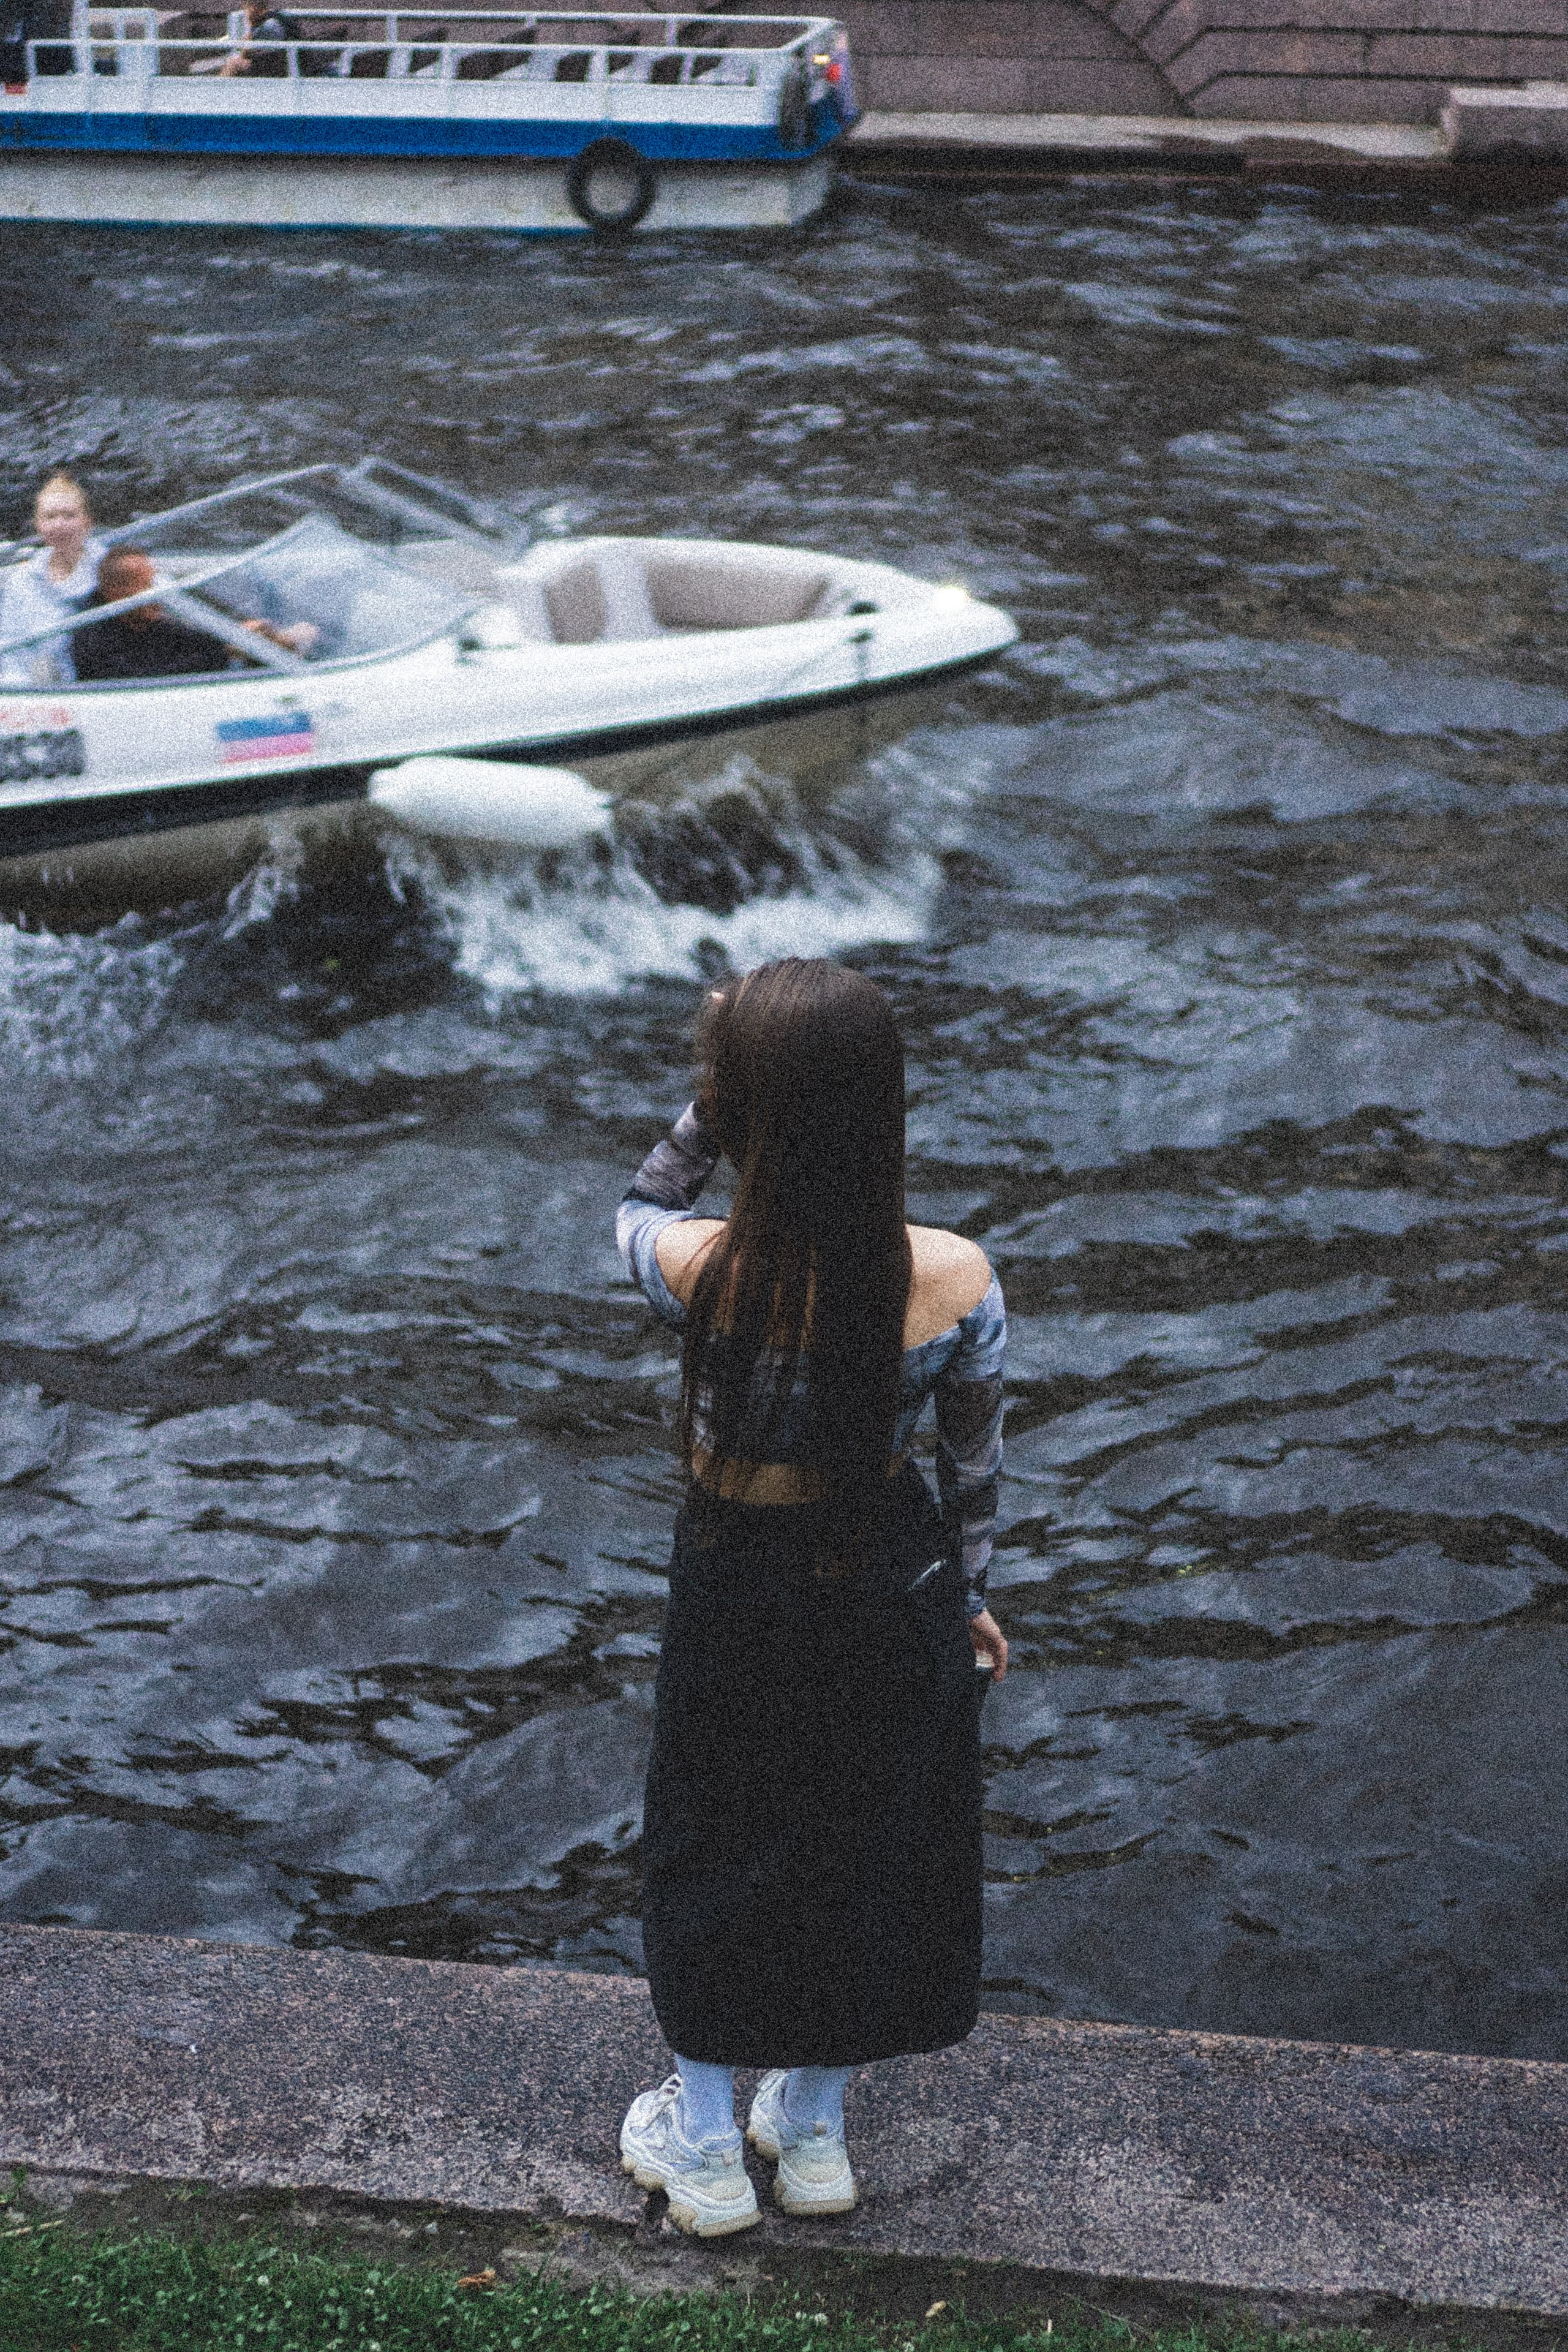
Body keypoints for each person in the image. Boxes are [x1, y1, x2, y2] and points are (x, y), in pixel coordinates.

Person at [614, 958, 1008, 2240]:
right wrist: (969, 1599)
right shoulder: (959, 1280)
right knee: (864, 1840)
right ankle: (817, 2131)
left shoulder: (694, 1266)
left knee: (713, 1839)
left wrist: (710, 1111)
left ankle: (705, 2144)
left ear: (751, 1114)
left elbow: (638, 1201)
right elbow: (972, 1470)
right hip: (892, 1581)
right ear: (882, 1106)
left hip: (740, 1584)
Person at [0, 470, 105, 685]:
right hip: (39, 688)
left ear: (87, 522)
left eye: (69, 516)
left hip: (104, 683)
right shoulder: (23, 579)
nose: (59, 525)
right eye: (50, 517)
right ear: (38, 525)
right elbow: (10, 647)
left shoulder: (112, 567)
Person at [72, 548, 236, 682]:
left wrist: (232, 639)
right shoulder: (93, 638)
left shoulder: (141, 619)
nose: (157, 594)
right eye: (147, 586)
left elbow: (187, 639)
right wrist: (221, 654)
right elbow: (143, 681)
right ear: (116, 594)